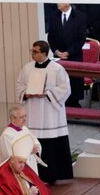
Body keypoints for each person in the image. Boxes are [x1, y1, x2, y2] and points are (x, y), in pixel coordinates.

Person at [15, 41, 73, 184]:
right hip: (33, 111)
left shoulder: (57, 69)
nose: (32, 54)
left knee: (51, 145)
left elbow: (65, 88)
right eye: (32, 51)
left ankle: (53, 176)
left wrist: (47, 94)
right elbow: (19, 85)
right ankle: (36, 176)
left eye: (35, 51)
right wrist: (25, 94)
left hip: (50, 114)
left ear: (44, 53)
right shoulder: (27, 68)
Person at [0, 105, 43, 174]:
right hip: (14, 173)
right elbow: (11, 157)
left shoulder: (24, 129)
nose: (24, 119)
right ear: (12, 118)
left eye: (25, 116)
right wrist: (30, 151)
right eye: (21, 117)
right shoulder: (7, 135)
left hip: (30, 166)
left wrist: (36, 148)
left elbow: (36, 143)